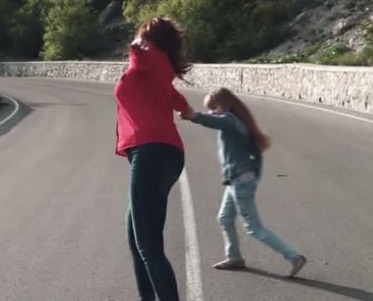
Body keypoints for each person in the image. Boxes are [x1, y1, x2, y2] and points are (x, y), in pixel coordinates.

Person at [180, 87, 307, 278]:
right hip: (238, 180)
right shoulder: (240, 121)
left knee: (254, 228)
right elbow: (255, 155)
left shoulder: (230, 120)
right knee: (224, 218)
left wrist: (193, 116)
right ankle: (235, 258)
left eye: (214, 107)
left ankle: (294, 256)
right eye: (210, 108)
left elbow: (212, 120)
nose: (211, 111)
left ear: (227, 105)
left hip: (239, 180)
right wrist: (252, 176)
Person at [114, 17, 194, 301]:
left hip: (149, 153)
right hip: (167, 154)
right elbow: (171, 95)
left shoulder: (146, 60)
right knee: (138, 240)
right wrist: (188, 109)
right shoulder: (161, 67)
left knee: (147, 245)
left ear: (149, 39)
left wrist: (136, 48)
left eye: (140, 36)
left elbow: (137, 61)